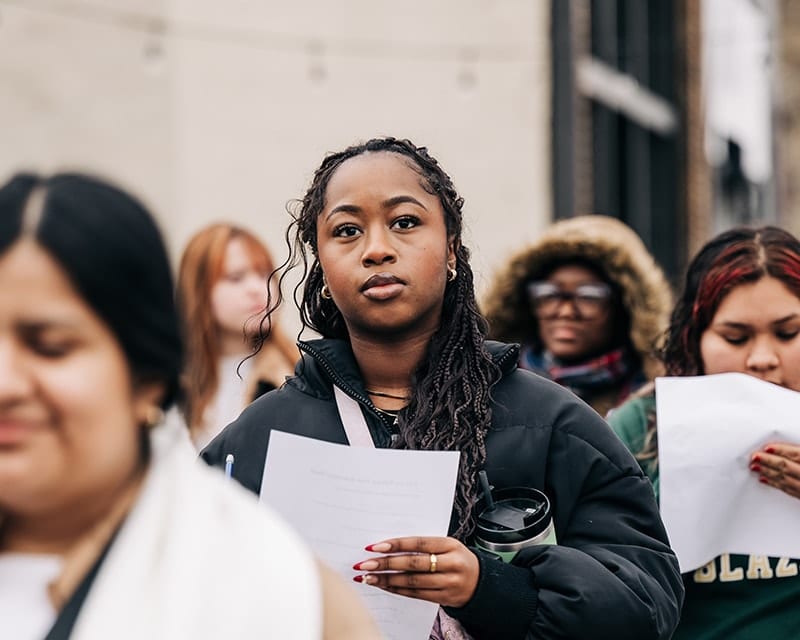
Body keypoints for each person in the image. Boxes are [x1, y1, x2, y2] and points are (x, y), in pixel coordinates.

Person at [202, 137, 683, 639]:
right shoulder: (262, 437)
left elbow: (648, 604)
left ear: (451, 247)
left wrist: (489, 587)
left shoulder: (554, 425)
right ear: (321, 266)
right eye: (347, 231)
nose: (377, 249)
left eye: (405, 222)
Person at [0, 173, 377, 639]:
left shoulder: (276, 588)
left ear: (146, 381)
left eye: (51, 347)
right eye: (234, 277)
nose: (6, 383)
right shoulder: (193, 393)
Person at [608, 226, 800, 639]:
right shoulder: (639, 428)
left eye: (789, 333)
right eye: (736, 337)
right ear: (693, 338)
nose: (763, 358)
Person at [483, 215, 672, 416]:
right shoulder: (494, 383)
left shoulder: (653, 403)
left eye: (588, 297)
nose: (565, 312)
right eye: (549, 294)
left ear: (624, 306)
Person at [177, 223, 299, 449]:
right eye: (235, 277)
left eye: (265, 274)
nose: (257, 288)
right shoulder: (166, 385)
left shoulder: (297, 377)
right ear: (198, 290)